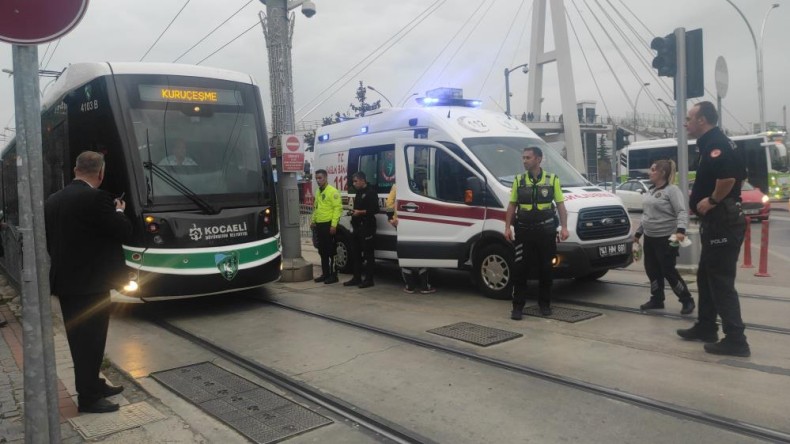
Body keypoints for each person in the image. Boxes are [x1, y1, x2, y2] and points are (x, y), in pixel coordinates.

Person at [45, 151, 133, 413]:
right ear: (101, 173)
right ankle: (88, 398)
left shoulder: (53, 200)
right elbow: (123, 232)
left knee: (81, 340)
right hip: (91, 284)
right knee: (91, 341)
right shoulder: (98, 199)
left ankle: (93, 384)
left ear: (75, 170)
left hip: (67, 283)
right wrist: (119, 212)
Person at [677, 101, 750, 357]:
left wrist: (712, 200)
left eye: (690, 118)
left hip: (722, 221)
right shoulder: (712, 143)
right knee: (706, 276)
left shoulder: (716, 145)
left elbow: (729, 179)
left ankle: (736, 340)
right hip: (718, 223)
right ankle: (707, 327)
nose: (686, 123)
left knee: (720, 281)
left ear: (703, 120)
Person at [504, 146, 569, 320]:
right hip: (524, 232)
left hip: (546, 232)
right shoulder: (518, 181)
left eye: (528, 158)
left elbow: (561, 205)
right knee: (520, 270)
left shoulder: (552, 180)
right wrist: (507, 227)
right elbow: (512, 206)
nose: (524, 161)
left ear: (538, 159)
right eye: (523, 158)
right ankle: (517, 307)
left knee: (546, 269)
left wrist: (564, 227)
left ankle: (545, 305)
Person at [633, 159, 695, 314]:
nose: (650, 172)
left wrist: (681, 230)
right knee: (652, 269)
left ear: (662, 173)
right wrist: (638, 233)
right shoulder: (650, 191)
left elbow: (681, 211)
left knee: (668, 270)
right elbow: (646, 215)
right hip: (650, 238)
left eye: (653, 169)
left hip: (667, 238)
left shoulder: (672, 190)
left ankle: (686, 300)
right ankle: (657, 299)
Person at [386, 184, 436, 294]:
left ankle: (410, 286)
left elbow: (389, 203)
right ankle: (424, 286)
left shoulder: (397, 184)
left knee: (405, 253)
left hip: (402, 223)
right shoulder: (427, 182)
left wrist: (391, 218)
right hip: (420, 223)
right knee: (423, 254)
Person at [343, 172, 379, 288]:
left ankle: (369, 279)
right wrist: (354, 213)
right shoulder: (358, 192)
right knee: (356, 253)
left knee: (368, 254)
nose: (354, 184)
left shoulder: (371, 192)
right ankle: (356, 277)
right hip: (357, 226)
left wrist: (361, 212)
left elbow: (375, 210)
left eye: (355, 181)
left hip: (367, 226)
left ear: (362, 180)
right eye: (353, 181)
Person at [311, 169, 342, 285]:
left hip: (328, 224)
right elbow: (316, 207)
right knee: (322, 250)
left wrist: (333, 225)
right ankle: (325, 274)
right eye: (317, 178)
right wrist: (313, 220)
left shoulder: (332, 191)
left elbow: (337, 209)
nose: (318, 180)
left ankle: (334, 275)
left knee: (331, 251)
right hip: (319, 224)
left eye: (320, 178)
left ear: (326, 177)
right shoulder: (318, 191)